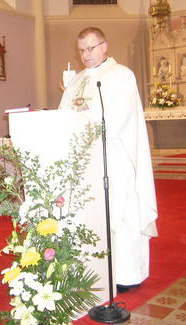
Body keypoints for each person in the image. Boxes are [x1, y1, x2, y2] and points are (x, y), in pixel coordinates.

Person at [59, 27, 158, 293]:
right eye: (81, 50)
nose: (85, 55)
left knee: (120, 212)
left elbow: (118, 118)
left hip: (115, 159)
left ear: (104, 46)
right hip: (84, 162)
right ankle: (92, 271)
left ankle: (126, 273)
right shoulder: (76, 80)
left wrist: (84, 119)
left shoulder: (121, 75)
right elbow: (63, 115)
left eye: (90, 48)